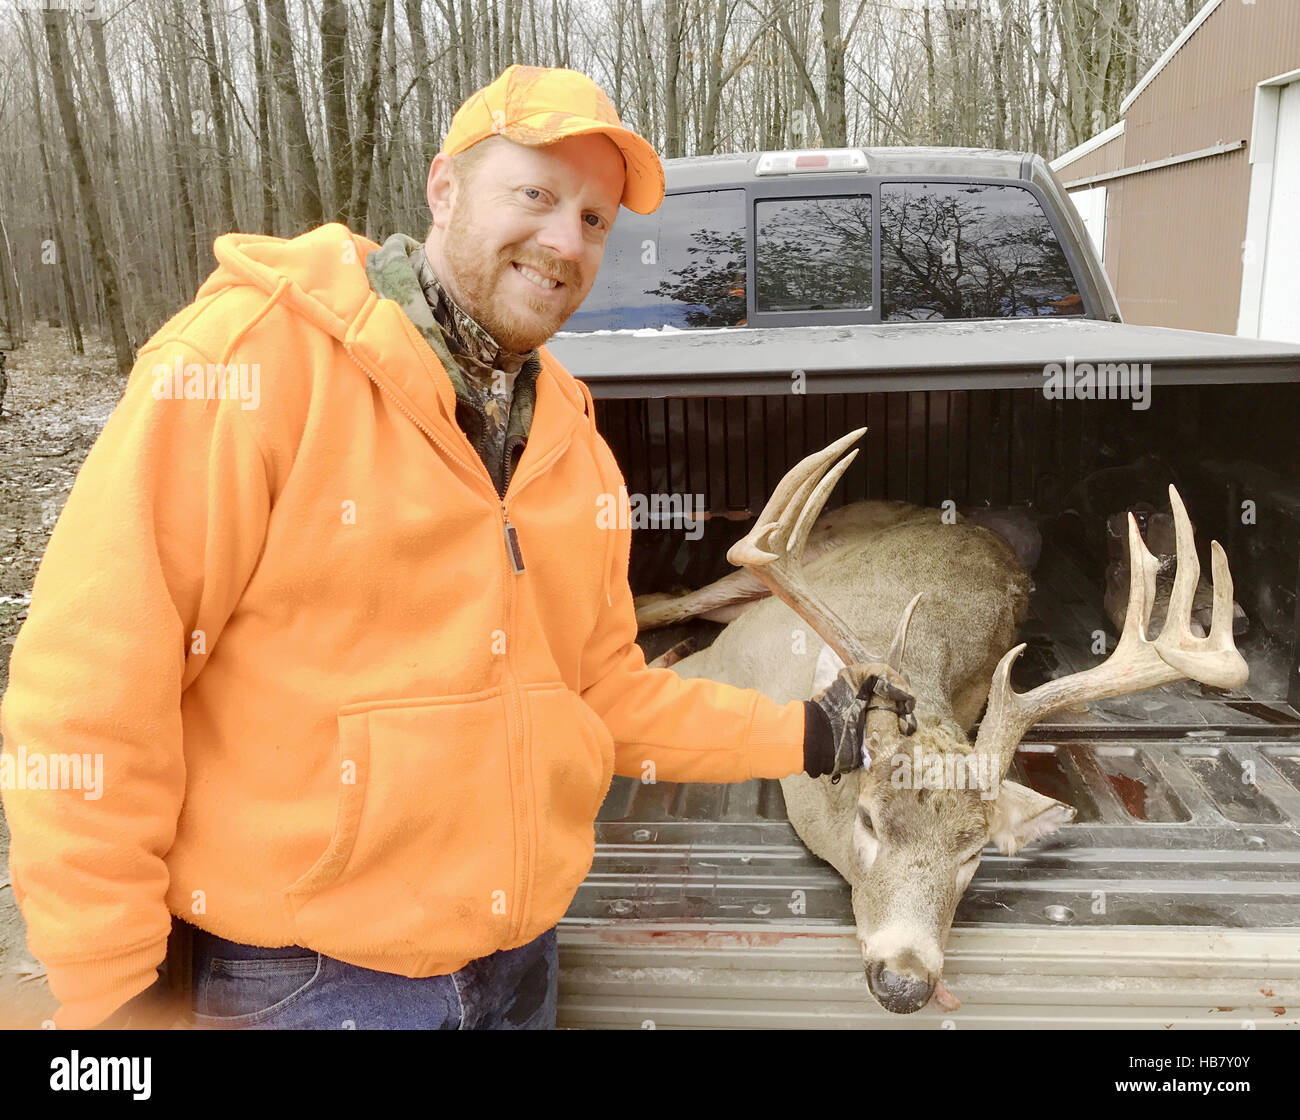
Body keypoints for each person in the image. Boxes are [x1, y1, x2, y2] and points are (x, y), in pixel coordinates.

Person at [0, 64, 909, 1030]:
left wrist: (811, 734)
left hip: (515, 969)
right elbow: (92, 695)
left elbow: (598, 693)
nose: (566, 239)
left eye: (596, 219)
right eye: (537, 195)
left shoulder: (567, 435)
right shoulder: (249, 368)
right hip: (307, 983)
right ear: (443, 188)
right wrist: (114, 997)